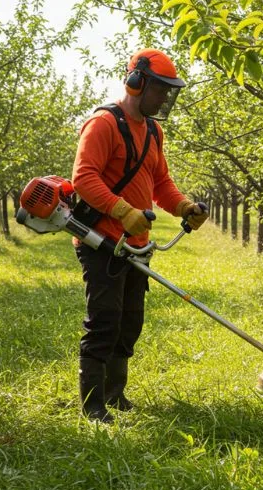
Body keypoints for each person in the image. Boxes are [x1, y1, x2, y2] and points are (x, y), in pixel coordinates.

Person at [71, 48, 208, 423]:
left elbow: (160, 182)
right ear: (137, 83)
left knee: (130, 321)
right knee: (104, 320)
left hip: (136, 244)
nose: (166, 97)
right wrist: (122, 211)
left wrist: (183, 208)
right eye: (161, 89)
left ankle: (116, 395)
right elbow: (83, 178)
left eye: (169, 91)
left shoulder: (152, 130)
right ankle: (93, 405)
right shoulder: (103, 124)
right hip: (102, 241)